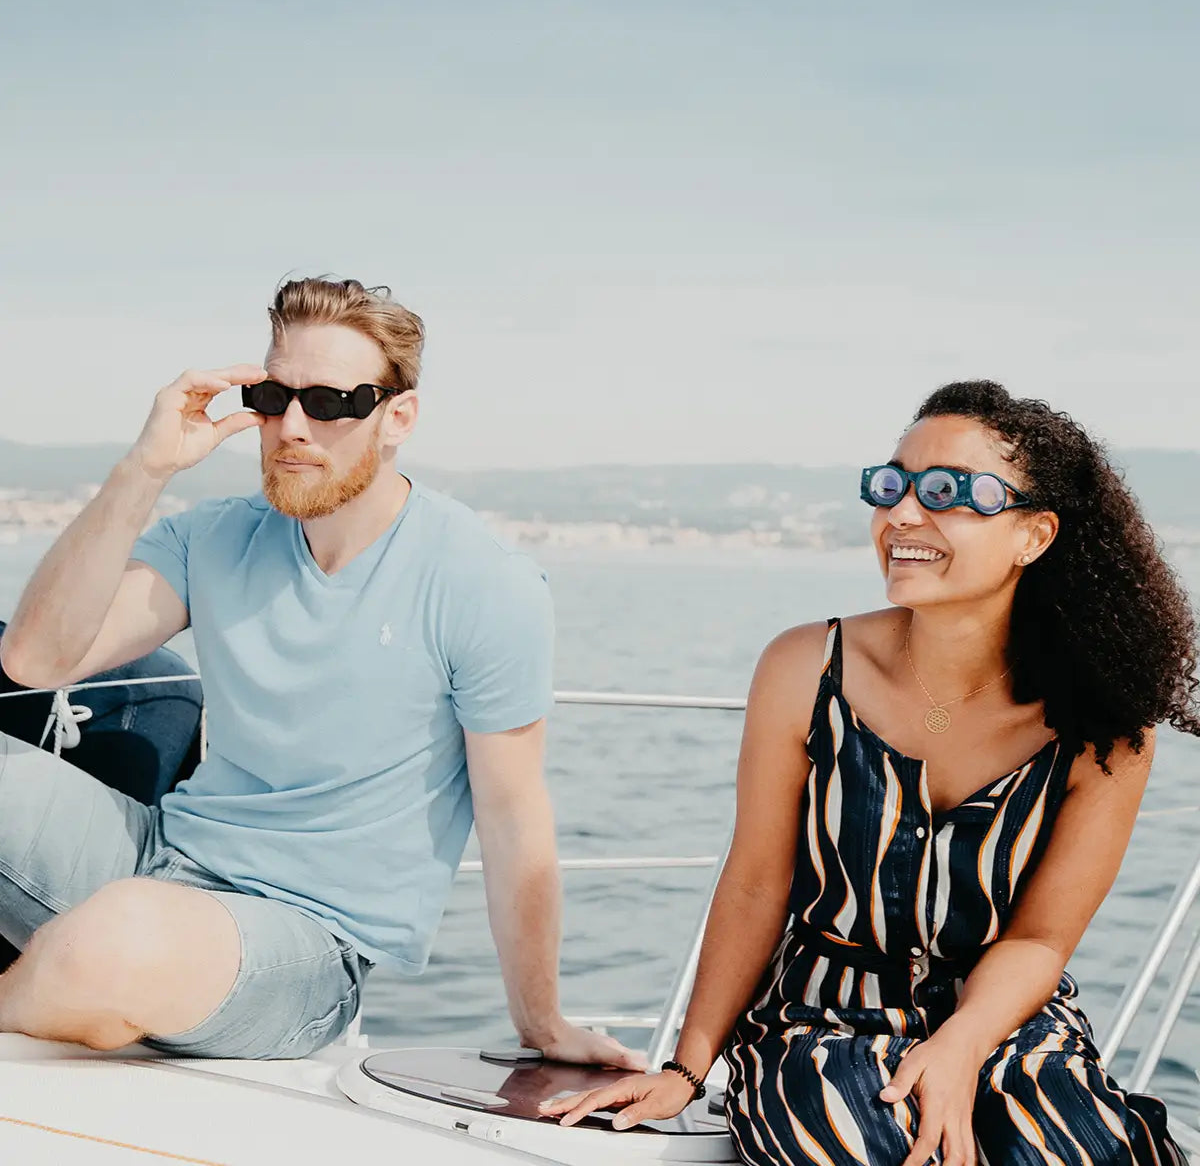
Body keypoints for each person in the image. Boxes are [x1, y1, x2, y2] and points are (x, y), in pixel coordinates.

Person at [541, 380, 1198, 1164]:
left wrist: (959, 1047)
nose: (904, 515)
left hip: (1007, 1026)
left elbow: (1039, 939)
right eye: (892, 485)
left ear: (1035, 535)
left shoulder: (1102, 723)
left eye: (950, 492)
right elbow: (757, 883)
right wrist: (689, 1065)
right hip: (822, 1023)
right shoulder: (804, 668)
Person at [0, 276, 641, 1070]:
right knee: (121, 919)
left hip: (306, 943)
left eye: (332, 403)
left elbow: (515, 820)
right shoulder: (215, 537)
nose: (293, 426)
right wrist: (144, 469)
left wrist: (541, 1021)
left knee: (115, 942)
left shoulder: (481, 581)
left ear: (397, 416)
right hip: (165, 855)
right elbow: (37, 660)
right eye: (274, 396)